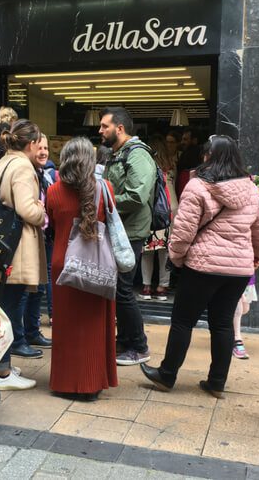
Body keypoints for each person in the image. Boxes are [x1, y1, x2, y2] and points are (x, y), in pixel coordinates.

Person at [140, 135, 259, 398]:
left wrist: (177, 258)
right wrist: (255, 259)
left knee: (183, 321)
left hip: (202, 266)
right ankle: (216, 382)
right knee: (222, 325)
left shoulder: (197, 186)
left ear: (208, 157)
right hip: (237, 270)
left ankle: (167, 376)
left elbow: (183, 231)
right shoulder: (250, 189)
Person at [47, 137, 118, 400]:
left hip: (64, 263)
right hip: (96, 264)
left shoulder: (54, 191)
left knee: (65, 327)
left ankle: (65, 381)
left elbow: (53, 224)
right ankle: (92, 381)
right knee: (93, 325)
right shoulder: (106, 187)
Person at [0, 119, 47, 391]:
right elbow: (26, 209)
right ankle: (4, 373)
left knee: (2, 306)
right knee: (8, 310)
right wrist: (42, 209)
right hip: (15, 249)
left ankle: (3, 366)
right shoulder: (22, 166)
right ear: (31, 144)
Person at [100, 107, 155, 366]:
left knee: (123, 289)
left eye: (104, 126)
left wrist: (103, 201)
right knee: (118, 289)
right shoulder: (117, 154)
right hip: (120, 229)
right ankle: (123, 340)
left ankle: (140, 346)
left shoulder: (138, 154)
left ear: (119, 128)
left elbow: (136, 195)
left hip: (131, 232)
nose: (100, 131)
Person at [18, 133, 55, 343]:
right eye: (39, 148)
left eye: (46, 148)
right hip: (29, 237)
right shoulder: (26, 173)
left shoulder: (44, 175)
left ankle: (32, 332)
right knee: (26, 289)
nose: (43, 152)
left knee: (39, 287)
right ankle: (20, 337)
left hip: (43, 237)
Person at [139, 135, 178, 302]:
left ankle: (146, 286)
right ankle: (162, 286)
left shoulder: (147, 166)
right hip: (171, 210)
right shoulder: (172, 166)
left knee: (147, 251)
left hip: (151, 210)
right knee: (165, 251)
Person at [232, 274, 257, 359]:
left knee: (245, 309)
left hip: (248, 273)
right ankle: (236, 339)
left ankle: (227, 330)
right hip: (234, 274)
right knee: (237, 311)